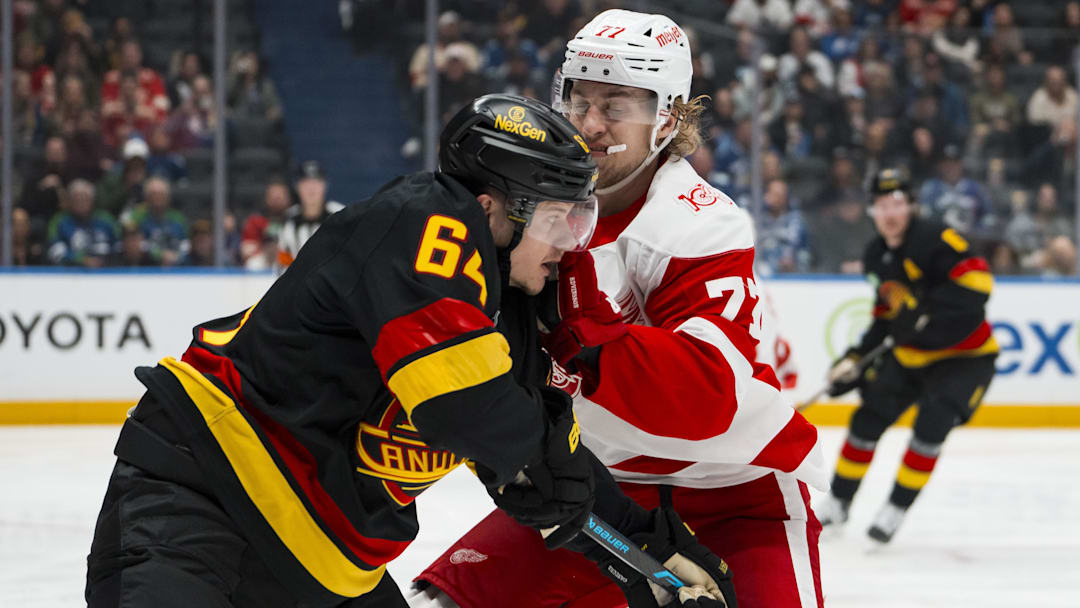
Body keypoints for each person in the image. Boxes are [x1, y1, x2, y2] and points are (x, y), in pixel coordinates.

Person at [85, 94, 734, 608]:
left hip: (319, 561)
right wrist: (540, 448)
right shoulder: (428, 220)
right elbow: (468, 408)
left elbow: (540, 462)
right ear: (493, 209)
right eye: (559, 218)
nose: (572, 240)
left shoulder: (506, 304)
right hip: (203, 506)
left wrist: (649, 550)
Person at [415, 10, 827, 608]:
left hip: (740, 494)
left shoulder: (696, 223)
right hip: (602, 485)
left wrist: (576, 328)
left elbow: (705, 398)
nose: (590, 124)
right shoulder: (524, 198)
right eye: (579, 100)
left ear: (669, 114)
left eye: (617, 106)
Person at [816, 168, 999, 544]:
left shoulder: (936, 238)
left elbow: (980, 284)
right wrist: (854, 358)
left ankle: (896, 507)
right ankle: (839, 501)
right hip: (909, 357)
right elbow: (886, 319)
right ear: (872, 211)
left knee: (931, 427)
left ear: (911, 206)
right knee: (865, 422)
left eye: (897, 203)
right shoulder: (876, 256)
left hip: (964, 359)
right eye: (882, 205)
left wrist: (931, 309)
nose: (890, 212)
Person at [276, 160, 344, 267]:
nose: (311, 189)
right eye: (305, 183)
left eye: (316, 182)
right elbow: (284, 261)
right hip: (298, 281)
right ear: (297, 187)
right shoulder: (289, 218)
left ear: (324, 186)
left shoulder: (340, 215)